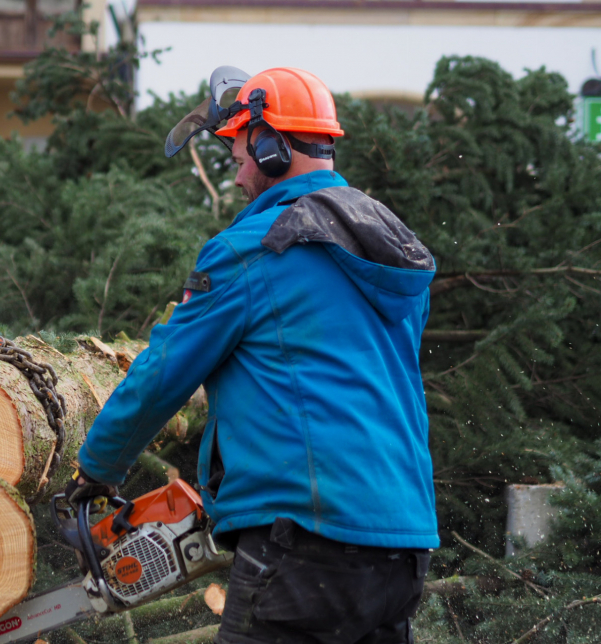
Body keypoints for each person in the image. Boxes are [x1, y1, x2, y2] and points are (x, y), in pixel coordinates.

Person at [66, 67, 439, 644]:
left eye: (240, 154)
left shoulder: (254, 250)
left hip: (306, 544)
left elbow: (164, 372)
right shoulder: (390, 252)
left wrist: (95, 469)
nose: (238, 174)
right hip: (403, 547)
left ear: (272, 148)